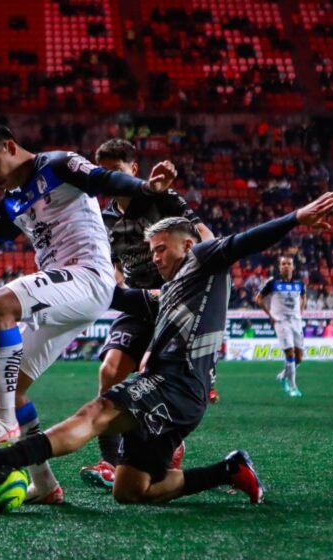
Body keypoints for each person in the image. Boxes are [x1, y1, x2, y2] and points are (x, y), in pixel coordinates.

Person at [0, 192, 333, 506]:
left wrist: (296, 218)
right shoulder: (169, 289)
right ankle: (229, 470)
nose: (154, 258)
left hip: (172, 384)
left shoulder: (203, 260)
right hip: (181, 395)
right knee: (132, 491)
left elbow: (244, 241)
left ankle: (3, 460)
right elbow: (117, 297)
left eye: (160, 249)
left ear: (187, 243)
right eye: (151, 250)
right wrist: (58, 284)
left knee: (97, 412)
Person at [0, 124, 178, 504]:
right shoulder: (12, 201)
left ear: (10, 146)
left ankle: (1, 422)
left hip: (89, 277)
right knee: (17, 388)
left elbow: (103, 178)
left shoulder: (58, 165)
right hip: (63, 288)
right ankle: (43, 484)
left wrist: (146, 188)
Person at [81, 138, 214, 489]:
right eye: (103, 173)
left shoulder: (163, 201)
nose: (109, 178)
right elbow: (112, 267)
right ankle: (109, 462)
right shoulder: (103, 216)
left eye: (116, 171)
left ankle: (169, 442)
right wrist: (112, 291)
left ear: (133, 170)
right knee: (109, 371)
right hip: (138, 302)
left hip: (173, 304)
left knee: (157, 378)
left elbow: (204, 237)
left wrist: (193, 282)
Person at [255, 256, 307, 397]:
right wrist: (270, 314)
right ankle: (292, 386)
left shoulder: (299, 283)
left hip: (296, 321)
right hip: (281, 321)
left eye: (288, 264)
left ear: (293, 267)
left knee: (299, 358)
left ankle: (283, 376)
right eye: (283, 264)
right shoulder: (272, 282)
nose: (286, 266)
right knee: (289, 352)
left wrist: (301, 310)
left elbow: (303, 296)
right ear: (279, 267)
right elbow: (258, 298)